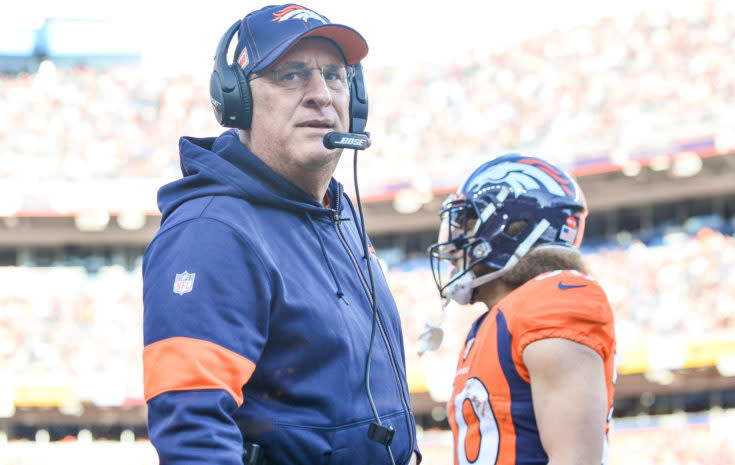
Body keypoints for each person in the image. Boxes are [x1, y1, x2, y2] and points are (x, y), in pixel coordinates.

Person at [141, 4, 419, 464]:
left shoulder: (339, 211)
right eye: (291, 75)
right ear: (236, 101)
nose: (321, 94)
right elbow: (195, 438)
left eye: (334, 75)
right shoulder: (211, 231)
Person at [428, 154, 617, 465]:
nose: (451, 246)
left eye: (467, 223)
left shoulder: (553, 299)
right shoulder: (496, 319)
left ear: (512, 228)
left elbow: (575, 459)